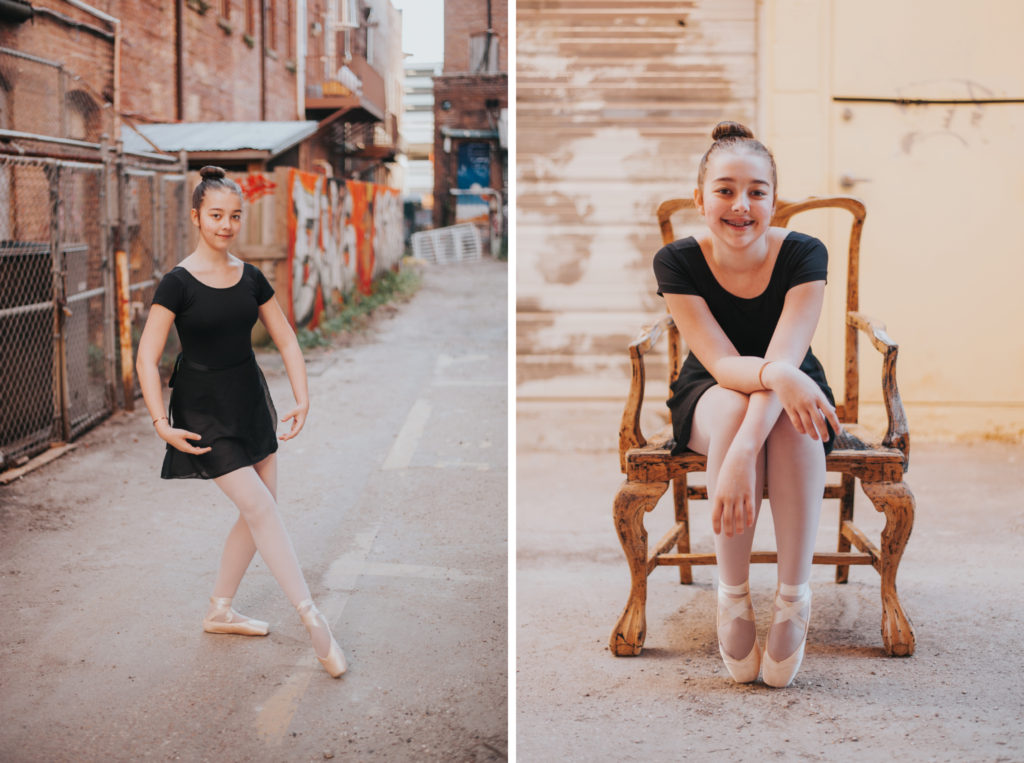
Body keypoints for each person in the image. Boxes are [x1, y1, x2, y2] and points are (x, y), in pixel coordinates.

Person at [135, 166, 346, 678]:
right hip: (202, 409)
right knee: (258, 506)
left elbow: (287, 338)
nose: (225, 225)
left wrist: (303, 397)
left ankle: (220, 609)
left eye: (234, 216)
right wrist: (161, 423)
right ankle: (311, 617)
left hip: (249, 399)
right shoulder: (177, 283)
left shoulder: (251, 276)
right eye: (215, 216)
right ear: (196, 217)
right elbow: (146, 357)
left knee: (261, 508)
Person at [652, 122, 842, 688]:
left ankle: (792, 596)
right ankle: (732, 596)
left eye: (757, 191)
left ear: (774, 201)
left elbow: (787, 360)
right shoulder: (677, 261)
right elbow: (722, 365)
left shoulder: (807, 253)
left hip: (795, 385)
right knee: (738, 409)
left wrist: (740, 457)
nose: (742, 205)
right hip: (712, 388)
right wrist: (742, 432)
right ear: (699, 199)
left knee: (794, 422)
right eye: (726, 189)